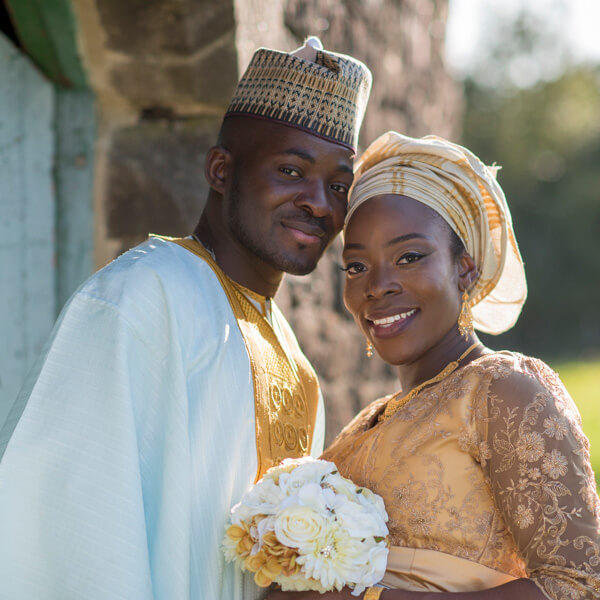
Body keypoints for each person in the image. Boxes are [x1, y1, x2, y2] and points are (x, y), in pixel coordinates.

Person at [0, 38, 372, 600]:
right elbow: (68, 530)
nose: (320, 203)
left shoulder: (294, 359)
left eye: (339, 186)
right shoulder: (141, 296)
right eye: (291, 170)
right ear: (221, 170)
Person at [268, 132, 600, 599]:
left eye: (409, 257)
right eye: (357, 266)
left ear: (464, 267)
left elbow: (580, 586)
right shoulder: (368, 422)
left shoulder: (503, 392)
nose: (377, 286)